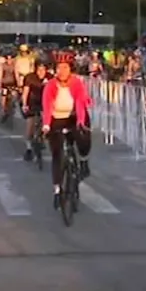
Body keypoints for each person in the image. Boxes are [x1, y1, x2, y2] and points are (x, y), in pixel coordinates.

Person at [41, 52, 92, 206]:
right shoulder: (50, 85)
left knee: (83, 137)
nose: (61, 71)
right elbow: (47, 106)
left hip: (75, 116)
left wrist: (81, 122)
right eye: (58, 68)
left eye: (65, 67)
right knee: (57, 154)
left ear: (71, 69)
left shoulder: (77, 83)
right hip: (56, 119)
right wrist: (46, 125)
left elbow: (81, 103)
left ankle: (83, 161)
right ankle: (57, 190)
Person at [21, 61, 51, 161]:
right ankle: (28, 148)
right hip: (32, 103)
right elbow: (25, 92)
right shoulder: (29, 77)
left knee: (47, 123)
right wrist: (24, 104)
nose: (40, 72)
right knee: (30, 126)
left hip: (45, 104)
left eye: (43, 70)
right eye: (39, 70)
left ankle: (42, 138)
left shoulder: (50, 77)